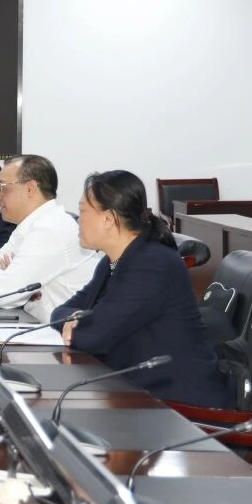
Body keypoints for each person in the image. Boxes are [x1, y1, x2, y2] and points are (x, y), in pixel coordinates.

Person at [54, 171, 232, 408]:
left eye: (83, 211)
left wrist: (76, 324)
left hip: (177, 402)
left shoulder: (151, 264)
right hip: (134, 392)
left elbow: (94, 337)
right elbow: (59, 313)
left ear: (109, 219)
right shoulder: (112, 262)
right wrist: (74, 318)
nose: (79, 220)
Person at [0, 155, 98, 322]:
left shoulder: (49, 230)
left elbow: (3, 295)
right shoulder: (30, 225)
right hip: (40, 326)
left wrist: (9, 279)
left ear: (30, 189)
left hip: (63, 334)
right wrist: (8, 278)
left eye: (2, 187)